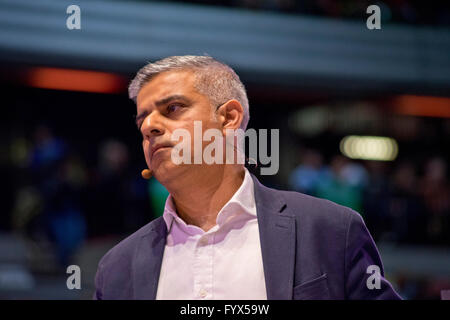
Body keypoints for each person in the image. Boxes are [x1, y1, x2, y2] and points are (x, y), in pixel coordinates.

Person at [93, 55, 401, 300]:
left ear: (228, 118)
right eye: (142, 119)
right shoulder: (116, 268)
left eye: (173, 108)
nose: (149, 127)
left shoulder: (331, 231)